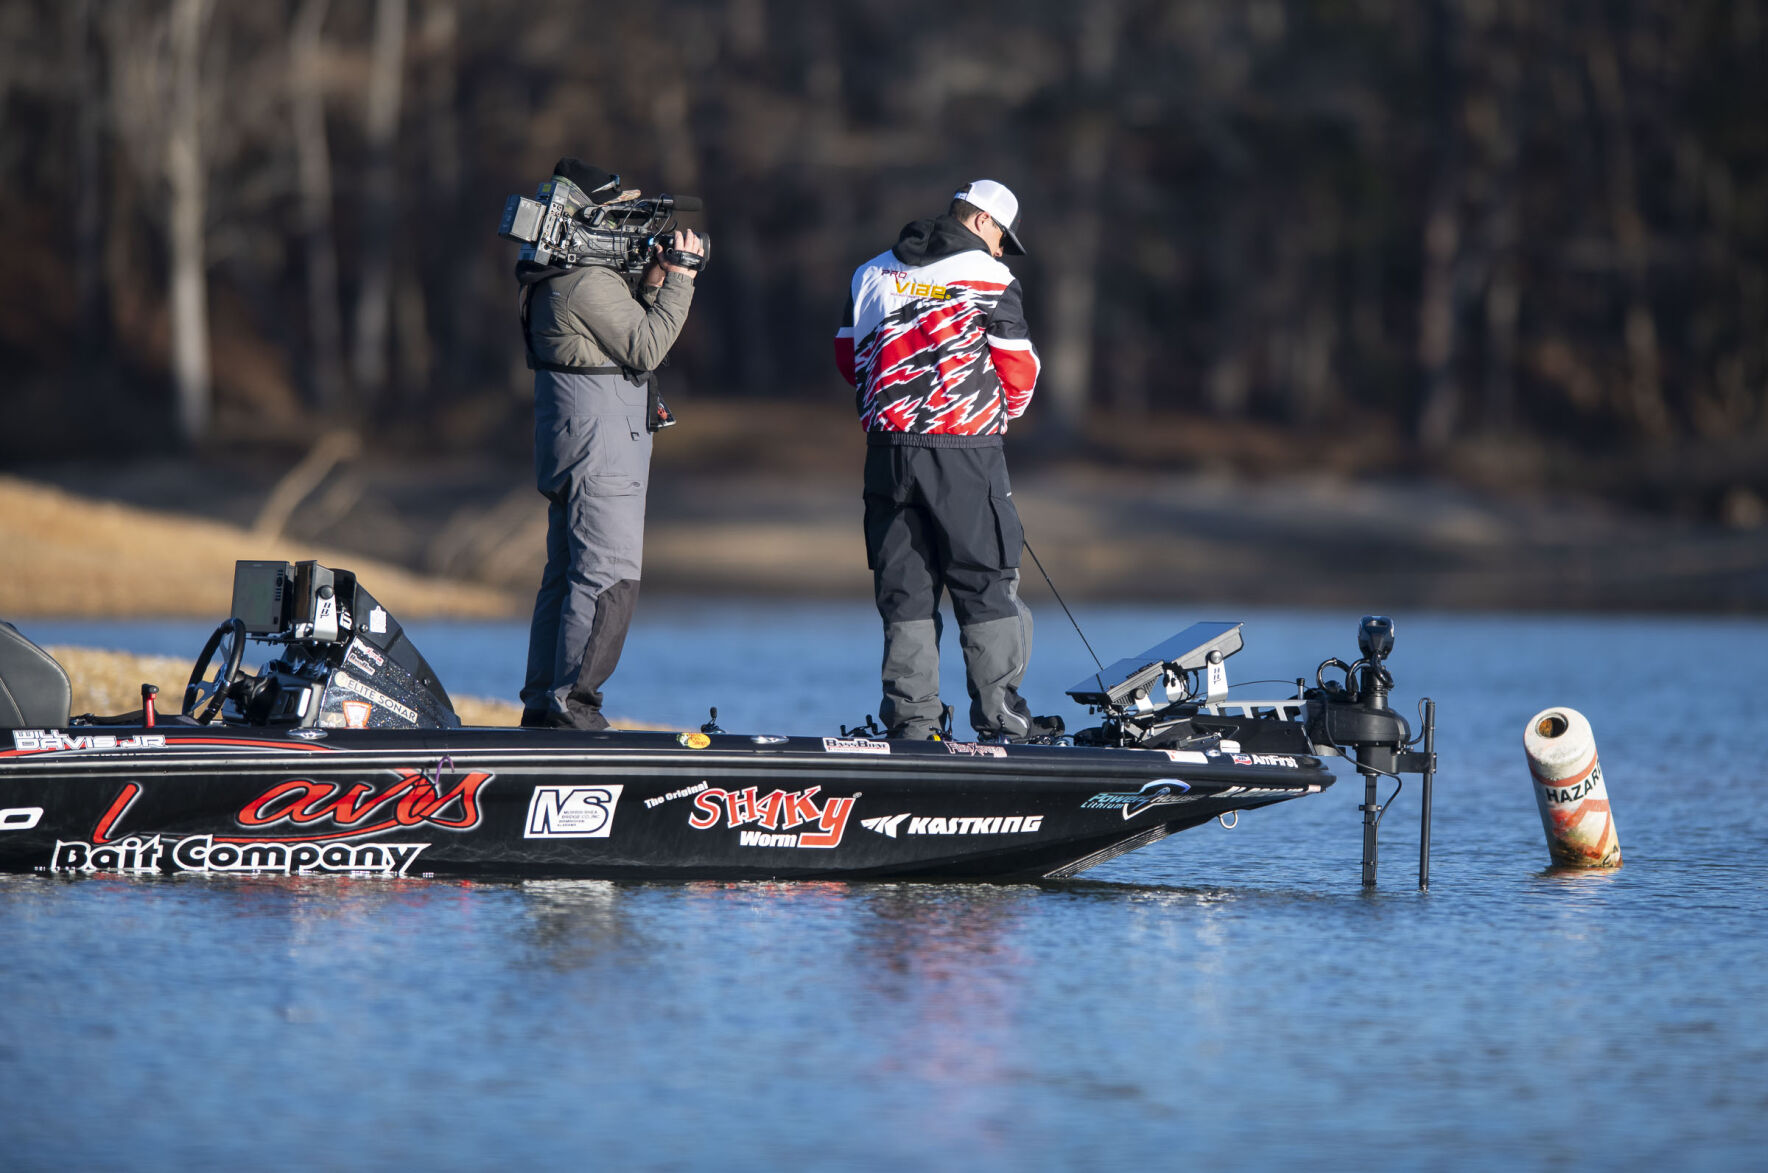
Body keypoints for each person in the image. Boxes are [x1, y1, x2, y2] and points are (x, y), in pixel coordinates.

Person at [835, 179, 1060, 742]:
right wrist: (993, 417)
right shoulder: (990, 277)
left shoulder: (870, 272)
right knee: (986, 582)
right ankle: (1001, 721)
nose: (1003, 249)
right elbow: (1019, 371)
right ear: (983, 222)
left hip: (887, 452)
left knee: (904, 588)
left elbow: (848, 356)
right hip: (965, 451)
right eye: (1003, 237)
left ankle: (913, 724)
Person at [516, 158, 704, 730]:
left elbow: (617, 338)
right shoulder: (585, 281)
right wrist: (683, 278)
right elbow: (646, 348)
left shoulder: (556, 277)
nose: (627, 228)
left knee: (566, 576)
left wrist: (652, 282)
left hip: (575, 439)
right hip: (600, 448)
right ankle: (574, 709)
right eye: (616, 216)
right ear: (584, 218)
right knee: (607, 575)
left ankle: (545, 705)